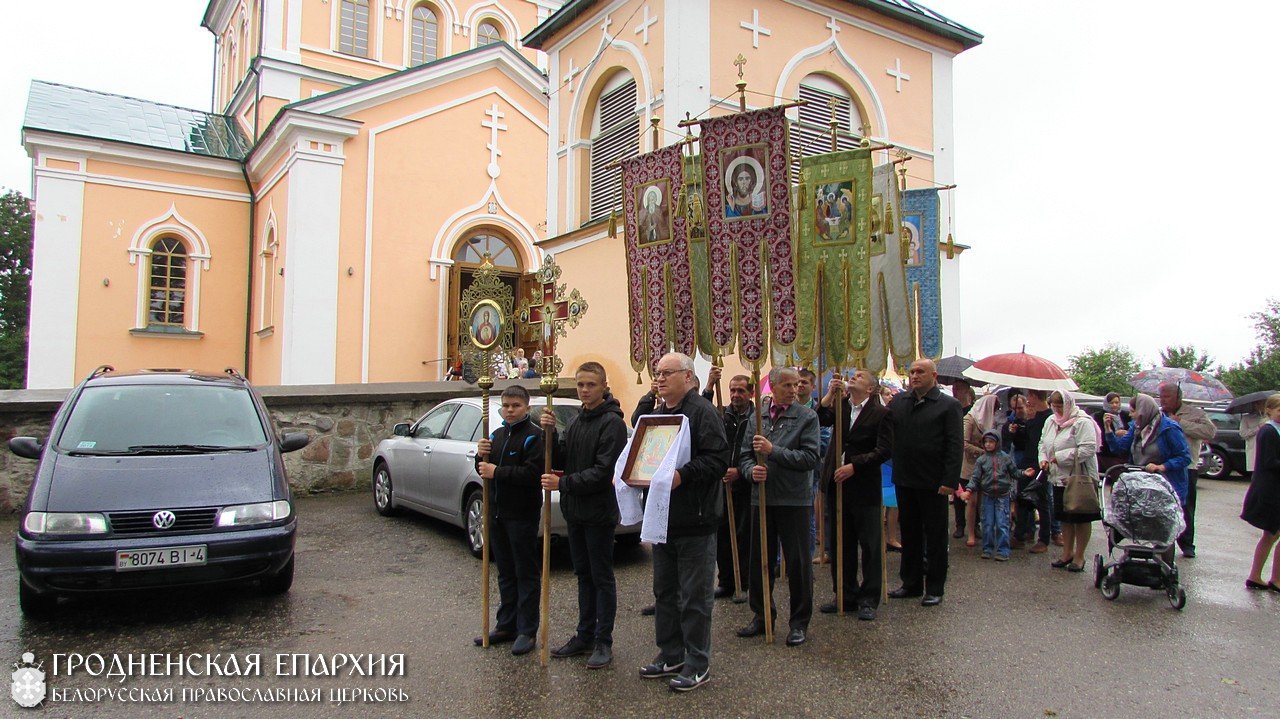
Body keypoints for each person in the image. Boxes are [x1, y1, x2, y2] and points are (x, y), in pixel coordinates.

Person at [639, 353, 729, 693]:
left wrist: (682, 476)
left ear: (688, 377)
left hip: (695, 517)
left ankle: (697, 662)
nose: (659, 379)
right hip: (663, 517)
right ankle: (671, 652)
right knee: (665, 592)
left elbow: (718, 459)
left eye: (666, 373)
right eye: (657, 373)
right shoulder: (659, 412)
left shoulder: (702, 411)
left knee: (695, 596)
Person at [541, 362, 629, 669]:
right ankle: (584, 634)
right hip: (575, 510)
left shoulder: (612, 424)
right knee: (583, 576)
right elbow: (564, 457)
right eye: (580, 385)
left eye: (590, 384)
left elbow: (603, 472)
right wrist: (550, 434)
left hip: (598, 512)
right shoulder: (578, 421)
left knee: (601, 577)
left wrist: (562, 483)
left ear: (604, 386)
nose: (584, 390)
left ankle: (603, 641)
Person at [737, 367, 821, 646]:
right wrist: (751, 472)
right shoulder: (757, 416)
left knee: (797, 563)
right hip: (761, 498)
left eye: (796, 385)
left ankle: (799, 622)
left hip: (793, 499)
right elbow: (746, 455)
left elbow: (809, 457)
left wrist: (775, 452)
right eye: (786, 385)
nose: (793, 390)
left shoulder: (807, 417)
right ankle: (761, 615)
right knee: (759, 560)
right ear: (772, 386)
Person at [473, 385, 544, 655]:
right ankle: (507, 623)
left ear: (526, 407)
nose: (510, 410)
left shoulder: (534, 437)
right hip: (498, 512)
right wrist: (481, 455)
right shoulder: (497, 435)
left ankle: (527, 630)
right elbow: (482, 470)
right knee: (505, 572)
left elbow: (531, 474)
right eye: (506, 406)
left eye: (515, 405)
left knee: (525, 572)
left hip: (522, 513)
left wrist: (497, 471)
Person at [886, 359, 963, 606]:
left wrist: (949, 480)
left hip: (934, 481)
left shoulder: (948, 405)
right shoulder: (900, 402)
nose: (915, 376)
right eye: (911, 372)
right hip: (905, 478)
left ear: (934, 375)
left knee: (936, 536)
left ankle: (935, 586)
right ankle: (911, 583)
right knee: (909, 533)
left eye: (920, 372)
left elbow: (954, 445)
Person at [818, 369, 893, 620]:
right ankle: (845, 593)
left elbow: (884, 450)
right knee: (841, 542)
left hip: (863, 486)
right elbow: (820, 418)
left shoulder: (881, 413)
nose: (853, 377)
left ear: (870, 389)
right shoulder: (841, 406)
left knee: (870, 545)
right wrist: (829, 393)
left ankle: (869, 597)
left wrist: (855, 465)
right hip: (837, 484)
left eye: (860, 376)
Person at [1107, 394, 1193, 528]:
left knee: (1162, 528)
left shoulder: (1169, 428)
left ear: (1143, 410)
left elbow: (1184, 457)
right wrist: (1108, 431)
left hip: (1165, 484)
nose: (1130, 415)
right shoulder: (1137, 427)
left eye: (1133, 411)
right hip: (1141, 482)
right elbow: (1120, 448)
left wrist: (1162, 466)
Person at [1039, 391, 1101, 572]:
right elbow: (1043, 443)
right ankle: (1067, 552)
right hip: (1058, 477)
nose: (1057, 410)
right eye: (1054, 406)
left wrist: (1060, 457)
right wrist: (1043, 459)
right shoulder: (1050, 421)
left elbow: (1088, 448)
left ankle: (1080, 556)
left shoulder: (1082, 422)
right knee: (1065, 517)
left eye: (1060, 406)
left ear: (1068, 404)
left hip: (1079, 478)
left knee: (1081, 517)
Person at [1158, 383, 1216, 558]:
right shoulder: (1158, 413)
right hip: (1163, 467)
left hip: (1186, 467)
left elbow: (1210, 431)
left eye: (1166, 396)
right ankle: (1161, 540)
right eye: (1161, 396)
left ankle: (1187, 543)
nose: (1162, 400)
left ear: (1178, 397)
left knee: (1186, 506)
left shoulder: (1195, 413)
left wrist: (1181, 423)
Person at [714, 373, 754, 602]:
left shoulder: (756, 417)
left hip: (746, 483)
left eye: (741, 391)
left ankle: (744, 582)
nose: (736, 395)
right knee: (723, 534)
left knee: (744, 534)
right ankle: (726, 581)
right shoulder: (722, 414)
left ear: (750, 393)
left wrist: (740, 470)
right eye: (732, 390)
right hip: (724, 484)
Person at [1241, 394, 1280, 591]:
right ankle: (1256, 575)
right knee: (1271, 534)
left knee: (1275, 534)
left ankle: (1275, 577)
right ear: (1269, 411)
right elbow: (1268, 462)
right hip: (1270, 490)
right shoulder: (1268, 431)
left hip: (1275, 488)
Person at [963, 430, 1019, 560]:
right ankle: (987, 548)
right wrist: (969, 490)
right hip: (987, 495)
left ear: (997, 443)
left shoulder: (1005, 458)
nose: (988, 445)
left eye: (991, 442)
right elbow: (975, 478)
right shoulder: (981, 460)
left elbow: (1014, 473)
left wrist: (1024, 473)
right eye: (986, 442)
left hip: (1002, 495)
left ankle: (1003, 550)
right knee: (987, 522)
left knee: (1002, 523)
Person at [797, 367, 832, 564]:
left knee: (807, 513)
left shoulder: (820, 411)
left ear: (812, 386)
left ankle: (807, 557)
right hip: (787, 468)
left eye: (804, 382)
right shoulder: (785, 407)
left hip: (810, 468)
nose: (800, 385)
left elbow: (824, 443)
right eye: (797, 382)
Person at [1015, 390, 1055, 554]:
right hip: (1028, 460)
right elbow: (1025, 442)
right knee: (1023, 497)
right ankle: (1020, 534)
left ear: (1034, 396)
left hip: (1041, 463)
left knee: (1042, 501)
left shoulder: (1049, 417)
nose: (1028, 401)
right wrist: (1018, 429)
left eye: (1030, 396)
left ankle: (1044, 538)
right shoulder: (1033, 417)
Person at [959, 394, 1000, 547]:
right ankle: (970, 533)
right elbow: (964, 443)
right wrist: (983, 451)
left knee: (983, 500)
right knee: (972, 500)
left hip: (986, 465)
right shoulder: (970, 419)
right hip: (971, 464)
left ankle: (978, 528)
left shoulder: (990, 420)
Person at [949, 380, 977, 539]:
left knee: (973, 489)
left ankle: (975, 524)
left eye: (958, 388)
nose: (954, 391)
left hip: (970, 454)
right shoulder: (952, 407)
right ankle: (960, 525)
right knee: (958, 486)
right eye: (953, 388)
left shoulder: (974, 411)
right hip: (957, 452)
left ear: (967, 390)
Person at [1093, 392, 1132, 473]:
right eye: (1111, 403)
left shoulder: (1125, 415)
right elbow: (1099, 434)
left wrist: (1125, 433)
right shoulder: (1100, 416)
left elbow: (1131, 430)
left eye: (1117, 402)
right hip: (1106, 454)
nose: (1114, 405)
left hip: (1123, 454)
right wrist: (1114, 433)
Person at [1240, 399, 1269, 478]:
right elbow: (1243, 434)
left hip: (1267, 449)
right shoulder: (1247, 418)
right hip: (1254, 448)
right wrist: (1258, 427)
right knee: (1256, 475)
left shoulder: (1270, 418)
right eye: (1260, 404)